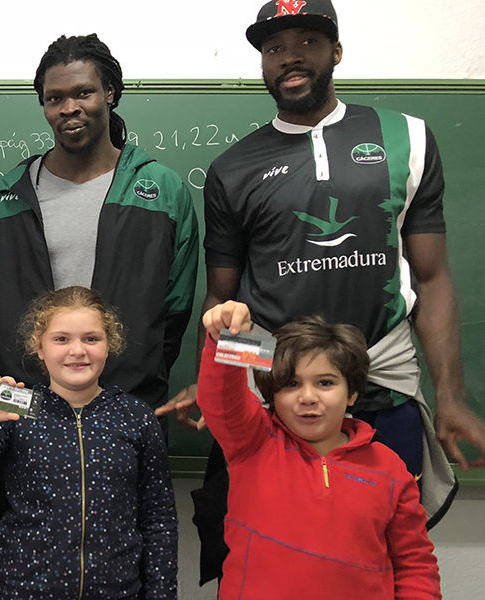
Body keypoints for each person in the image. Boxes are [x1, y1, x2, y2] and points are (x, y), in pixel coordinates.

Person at [155, 0, 483, 583]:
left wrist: (451, 394)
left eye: (307, 41)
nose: (290, 57)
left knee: (385, 557)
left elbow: (431, 278)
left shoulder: (405, 138)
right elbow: (223, 304)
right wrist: (221, 381)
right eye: (275, 47)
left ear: (336, 52)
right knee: (272, 557)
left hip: (384, 389)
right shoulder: (233, 168)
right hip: (276, 405)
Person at [0, 34, 198, 416]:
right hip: (27, 412)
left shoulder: (163, 189)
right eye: (54, 98)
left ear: (110, 93)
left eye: (84, 93)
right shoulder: (6, 196)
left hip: (128, 407)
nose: (69, 108)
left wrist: (136, 371)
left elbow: (174, 309)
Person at [0, 286, 177, 599]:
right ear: (39, 347)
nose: (77, 351)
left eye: (91, 338)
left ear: (109, 344)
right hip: (28, 592)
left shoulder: (134, 416)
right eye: (61, 339)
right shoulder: (16, 407)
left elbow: (159, 520)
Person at [198, 300, 440, 599]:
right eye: (291, 384)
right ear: (271, 394)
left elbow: (415, 566)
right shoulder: (252, 442)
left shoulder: (389, 469)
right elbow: (221, 400)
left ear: (352, 393)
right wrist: (228, 335)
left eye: (325, 383)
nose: (308, 397)